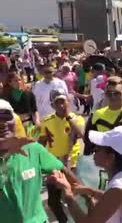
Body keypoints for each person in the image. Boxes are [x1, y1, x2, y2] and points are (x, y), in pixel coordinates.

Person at [0, 98, 81, 223]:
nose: (2, 123)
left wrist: (86, 193)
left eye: (6, 116)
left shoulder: (33, 149)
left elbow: (62, 169)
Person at [50, 126, 122, 223]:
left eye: (97, 149)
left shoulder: (119, 185)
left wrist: (68, 194)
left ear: (110, 158)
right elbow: (111, 199)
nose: (94, 151)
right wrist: (90, 192)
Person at [38, 88, 84, 223]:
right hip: (54, 165)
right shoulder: (47, 121)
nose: (61, 105)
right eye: (57, 102)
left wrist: (69, 117)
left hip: (72, 165)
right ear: (52, 105)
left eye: (63, 101)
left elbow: (82, 134)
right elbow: (41, 143)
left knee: (74, 197)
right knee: (53, 201)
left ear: (68, 101)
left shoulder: (77, 119)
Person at [84, 76, 122, 155]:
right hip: (102, 162)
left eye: (116, 93)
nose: (113, 96)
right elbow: (88, 143)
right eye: (109, 93)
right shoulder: (96, 115)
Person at [3, 71, 41, 137]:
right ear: (10, 83)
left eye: (19, 80)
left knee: (32, 144)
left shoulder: (29, 94)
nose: (19, 82)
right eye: (15, 80)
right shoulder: (6, 97)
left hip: (29, 125)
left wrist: (37, 121)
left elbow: (34, 110)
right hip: (15, 126)